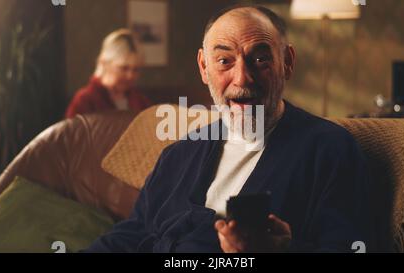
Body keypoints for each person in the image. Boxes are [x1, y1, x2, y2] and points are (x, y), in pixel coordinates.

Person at [85, 5, 376, 253]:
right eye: (224, 61)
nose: (242, 79)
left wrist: (284, 249)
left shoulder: (328, 148)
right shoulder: (179, 154)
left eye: (260, 60)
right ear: (203, 67)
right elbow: (131, 234)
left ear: (287, 63)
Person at [65, 29, 151, 119]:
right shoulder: (85, 100)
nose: (130, 76)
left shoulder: (140, 101)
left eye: (136, 69)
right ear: (105, 63)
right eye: (123, 68)